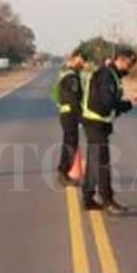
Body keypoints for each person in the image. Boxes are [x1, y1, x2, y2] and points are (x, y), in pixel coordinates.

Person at [80, 47, 137, 214]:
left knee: (94, 162)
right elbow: (108, 102)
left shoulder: (110, 75)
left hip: (97, 123)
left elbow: (109, 103)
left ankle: (88, 198)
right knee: (102, 163)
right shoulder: (107, 75)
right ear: (119, 59)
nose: (130, 67)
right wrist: (128, 105)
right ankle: (108, 200)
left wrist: (121, 106)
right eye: (129, 63)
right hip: (95, 123)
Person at [52, 50, 86, 186]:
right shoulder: (72, 77)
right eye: (81, 60)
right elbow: (74, 99)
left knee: (70, 143)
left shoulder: (67, 75)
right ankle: (63, 172)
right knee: (70, 144)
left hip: (66, 113)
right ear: (74, 59)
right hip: (70, 114)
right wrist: (81, 118)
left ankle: (64, 172)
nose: (83, 63)